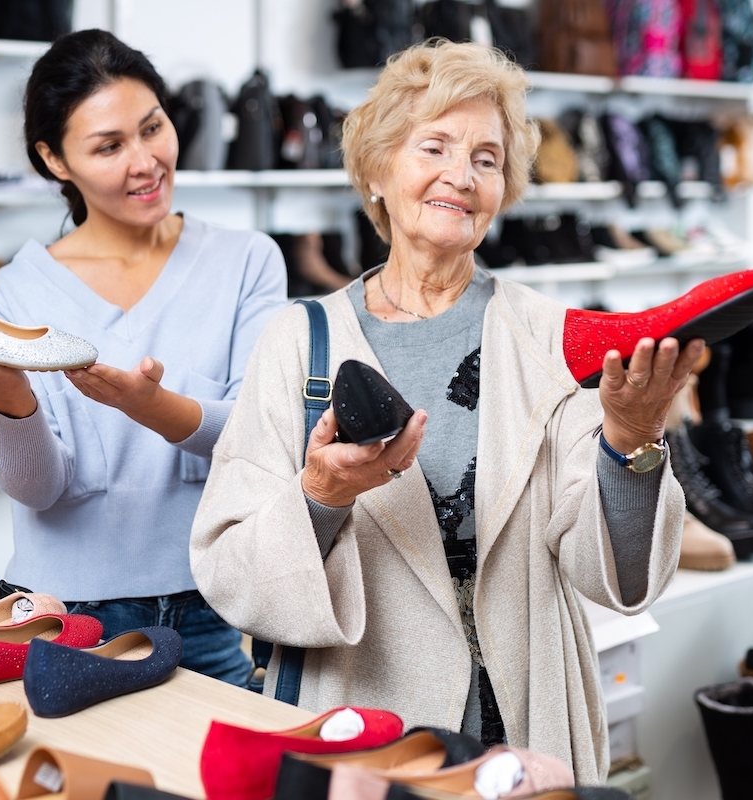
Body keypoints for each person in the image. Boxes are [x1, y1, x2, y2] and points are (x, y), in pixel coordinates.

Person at [191, 40, 703, 780]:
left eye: (488, 159)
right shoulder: (299, 343)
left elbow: (616, 580)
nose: (462, 176)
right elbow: (230, 571)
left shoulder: (541, 336)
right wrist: (322, 497)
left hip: (528, 729)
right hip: (366, 728)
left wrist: (631, 440)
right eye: (434, 146)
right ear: (376, 170)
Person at [0, 29, 286, 686]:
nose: (146, 161)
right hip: (69, 617)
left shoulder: (247, 261)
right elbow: (40, 491)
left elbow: (261, 441)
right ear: (55, 160)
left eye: (152, 127)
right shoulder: (17, 290)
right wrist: (9, 403)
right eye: (109, 146)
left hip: (213, 606)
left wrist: (155, 407)